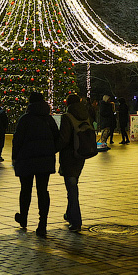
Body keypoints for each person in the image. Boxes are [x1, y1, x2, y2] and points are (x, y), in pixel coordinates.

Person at [12, 92, 61, 237]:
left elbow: (17, 141)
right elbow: (57, 139)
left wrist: (15, 158)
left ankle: (23, 218)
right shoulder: (49, 119)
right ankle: (42, 223)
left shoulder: (25, 119)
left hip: (26, 159)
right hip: (45, 161)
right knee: (42, 191)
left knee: (25, 190)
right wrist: (50, 151)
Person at [59, 94, 92, 232]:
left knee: (72, 188)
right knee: (73, 184)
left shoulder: (67, 117)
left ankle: (76, 221)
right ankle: (69, 213)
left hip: (69, 157)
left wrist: (54, 148)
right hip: (81, 154)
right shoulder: (86, 115)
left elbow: (64, 139)